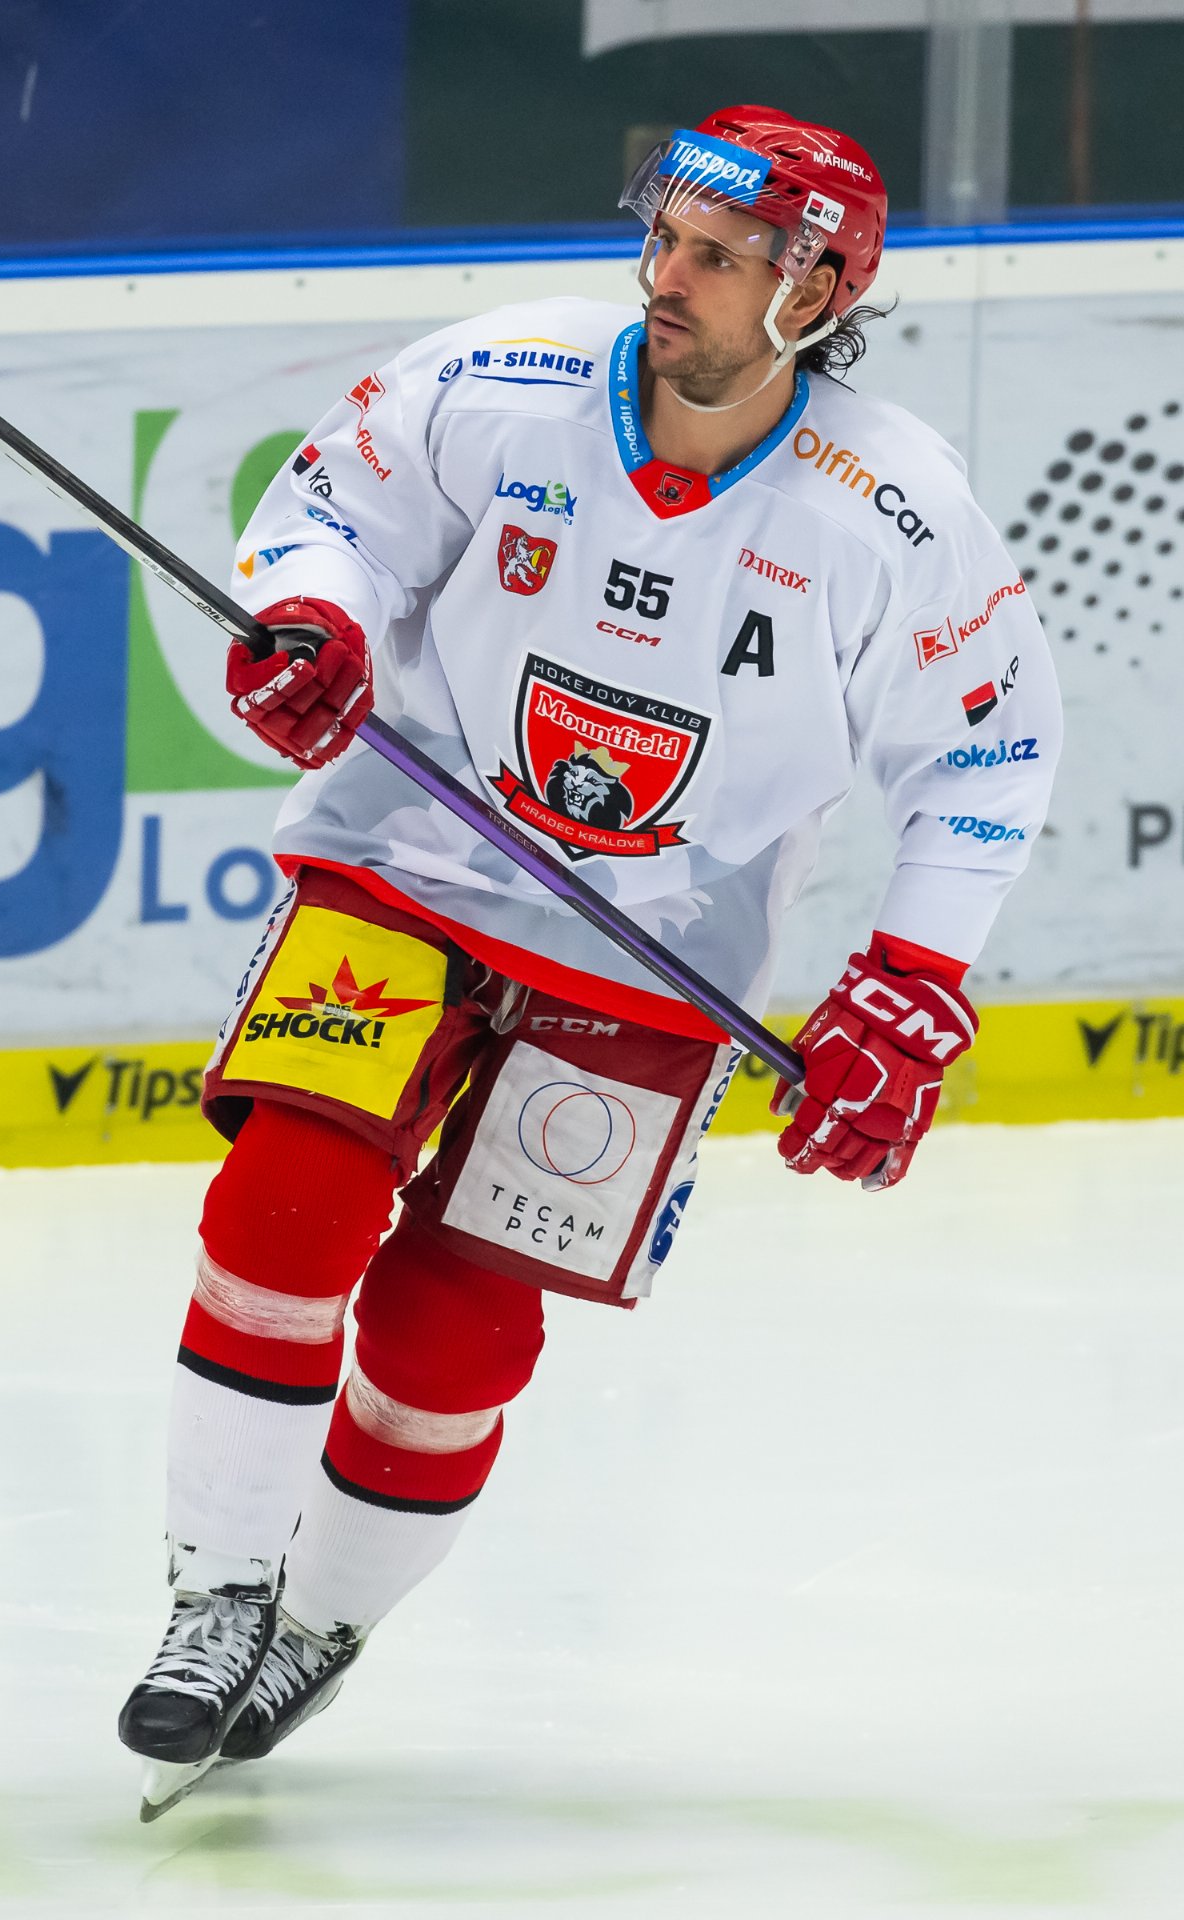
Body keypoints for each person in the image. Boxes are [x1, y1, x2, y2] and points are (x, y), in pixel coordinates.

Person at [117, 103, 1061, 1818]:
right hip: (409, 865)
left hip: (659, 947)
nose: (664, 277)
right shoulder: (505, 379)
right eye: (664, 239)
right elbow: (331, 510)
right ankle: (219, 1596)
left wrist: (914, 973)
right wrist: (315, 619)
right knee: (288, 1200)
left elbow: (990, 750)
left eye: (716, 256)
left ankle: (317, 1623)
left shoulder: (895, 511)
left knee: (455, 1327)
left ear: (816, 290)